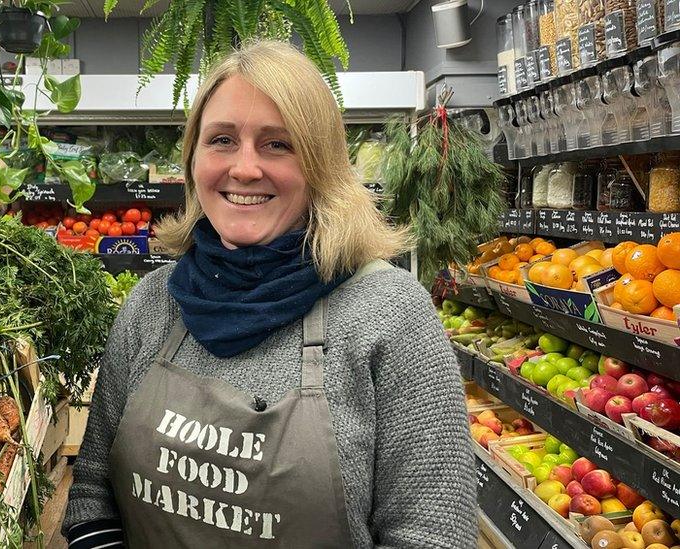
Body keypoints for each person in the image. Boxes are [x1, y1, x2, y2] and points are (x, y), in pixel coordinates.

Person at [62, 40, 476, 548]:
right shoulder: (153, 304)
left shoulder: (390, 315)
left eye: (277, 144)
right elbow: (91, 496)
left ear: (320, 165)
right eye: (221, 140)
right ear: (193, 159)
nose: (245, 169)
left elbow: (431, 535)